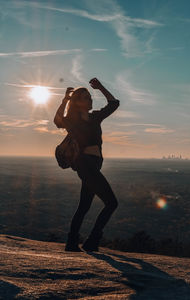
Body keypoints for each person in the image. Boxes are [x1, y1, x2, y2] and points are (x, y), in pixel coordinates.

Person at [54, 78, 120, 252]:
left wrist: (101, 87)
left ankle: (72, 242)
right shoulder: (73, 121)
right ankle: (92, 240)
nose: (89, 99)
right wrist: (65, 100)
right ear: (77, 102)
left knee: (84, 206)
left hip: (94, 165)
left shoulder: (95, 117)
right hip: (85, 164)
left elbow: (114, 104)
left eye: (90, 96)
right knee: (112, 203)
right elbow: (57, 121)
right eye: (85, 97)